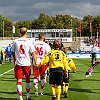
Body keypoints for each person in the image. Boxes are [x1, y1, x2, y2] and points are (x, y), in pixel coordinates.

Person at [12, 27, 37, 100]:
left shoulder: (15, 41)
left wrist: (15, 59)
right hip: (26, 63)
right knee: (28, 79)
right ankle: (28, 96)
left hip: (18, 63)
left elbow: (13, 51)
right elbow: (33, 53)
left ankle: (20, 97)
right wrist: (35, 62)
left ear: (20, 32)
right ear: (26, 33)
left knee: (19, 80)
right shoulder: (29, 41)